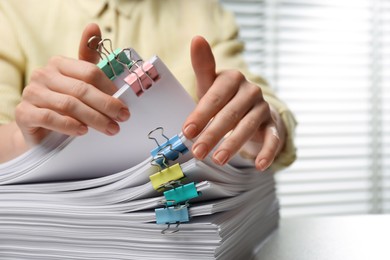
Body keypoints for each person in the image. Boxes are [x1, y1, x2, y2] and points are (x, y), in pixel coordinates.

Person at [0, 0, 296, 172]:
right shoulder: (13, 10)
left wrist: (262, 123)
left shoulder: (199, 8)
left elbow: (248, 88)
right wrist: (23, 138)